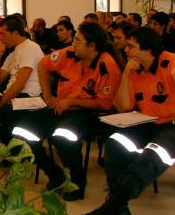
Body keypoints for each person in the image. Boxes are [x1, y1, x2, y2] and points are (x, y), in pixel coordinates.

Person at [78, 27, 175, 215]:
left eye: (131, 46)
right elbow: (123, 107)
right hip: (151, 122)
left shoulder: (171, 62)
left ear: (148, 50)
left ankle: (110, 208)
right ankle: (121, 212)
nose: (125, 50)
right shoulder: (135, 69)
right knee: (115, 143)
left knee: (153, 154)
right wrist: (127, 73)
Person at [12, 22, 121, 201]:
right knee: (23, 131)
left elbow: (104, 104)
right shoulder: (69, 54)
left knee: (63, 137)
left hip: (88, 112)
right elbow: (43, 65)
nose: (73, 44)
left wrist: (72, 102)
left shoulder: (107, 66)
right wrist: (47, 96)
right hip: (61, 107)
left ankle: (78, 181)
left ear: (92, 46)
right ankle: (55, 174)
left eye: (78, 40)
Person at [0, 15, 44, 142]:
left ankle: (16, 152)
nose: (1, 38)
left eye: (3, 34)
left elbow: (20, 84)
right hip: (14, 96)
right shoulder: (13, 53)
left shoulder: (30, 48)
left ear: (16, 33)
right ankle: (9, 150)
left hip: (28, 97)